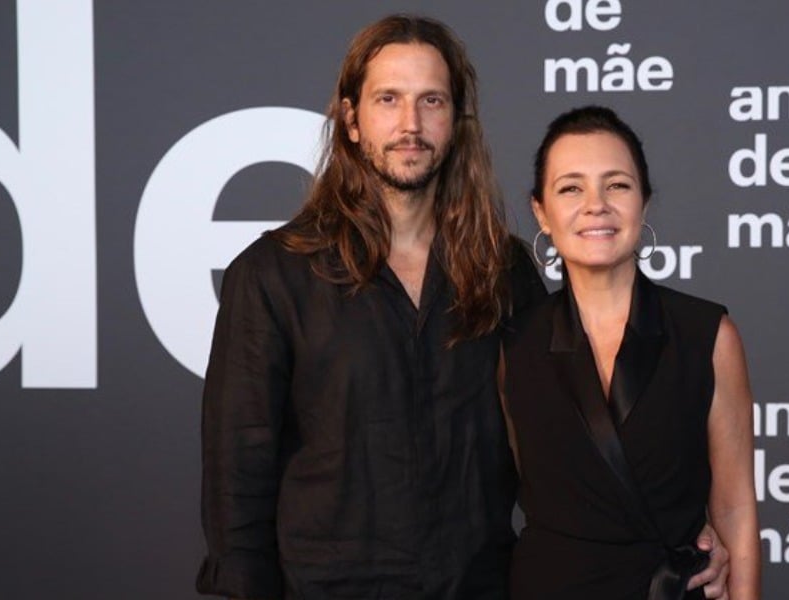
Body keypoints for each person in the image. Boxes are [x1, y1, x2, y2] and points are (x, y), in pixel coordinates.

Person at [197, 15, 730, 599]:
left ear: (456, 121)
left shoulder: (504, 271)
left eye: (432, 100)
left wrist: (675, 526)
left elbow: (564, 443)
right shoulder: (273, 275)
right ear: (351, 120)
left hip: (482, 586)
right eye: (388, 100)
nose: (411, 124)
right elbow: (236, 484)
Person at [501, 106, 760, 599]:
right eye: (571, 188)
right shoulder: (513, 344)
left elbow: (733, 506)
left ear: (644, 200)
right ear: (542, 213)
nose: (596, 205)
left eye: (616, 185)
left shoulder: (708, 335)